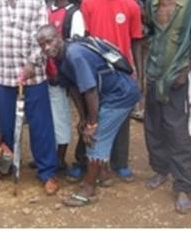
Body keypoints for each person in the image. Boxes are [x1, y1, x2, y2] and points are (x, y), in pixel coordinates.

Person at [36, 25, 140, 207]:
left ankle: (88, 189)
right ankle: (100, 176)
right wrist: (84, 118)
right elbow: (74, 88)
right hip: (108, 95)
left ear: (59, 37)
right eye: (41, 44)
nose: (46, 47)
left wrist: (92, 124)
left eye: (49, 41)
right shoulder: (60, 58)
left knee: (95, 138)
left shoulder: (74, 55)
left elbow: (90, 90)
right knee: (92, 132)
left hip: (120, 95)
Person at [0, 0, 59, 195]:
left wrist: (32, 63)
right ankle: (6, 166)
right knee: (6, 126)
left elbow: (44, 36)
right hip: (5, 77)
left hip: (33, 77)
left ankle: (47, 172)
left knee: (40, 126)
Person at [144, 0, 191, 214]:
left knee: (178, 132)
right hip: (154, 74)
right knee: (153, 126)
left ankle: (184, 185)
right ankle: (161, 170)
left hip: (178, 77)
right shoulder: (151, 2)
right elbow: (151, 34)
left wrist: (187, 69)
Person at [78, 0, 144, 183]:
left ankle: (120, 162)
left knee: (121, 118)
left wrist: (138, 74)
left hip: (121, 72)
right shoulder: (88, 3)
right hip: (94, 71)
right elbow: (84, 38)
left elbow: (136, 41)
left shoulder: (131, 5)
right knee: (92, 116)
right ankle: (89, 161)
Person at [45, 0, 85, 172]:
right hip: (44, 75)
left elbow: (75, 48)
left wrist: (62, 75)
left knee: (61, 118)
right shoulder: (45, 10)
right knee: (47, 119)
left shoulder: (74, 14)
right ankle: (48, 155)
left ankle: (60, 159)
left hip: (62, 78)